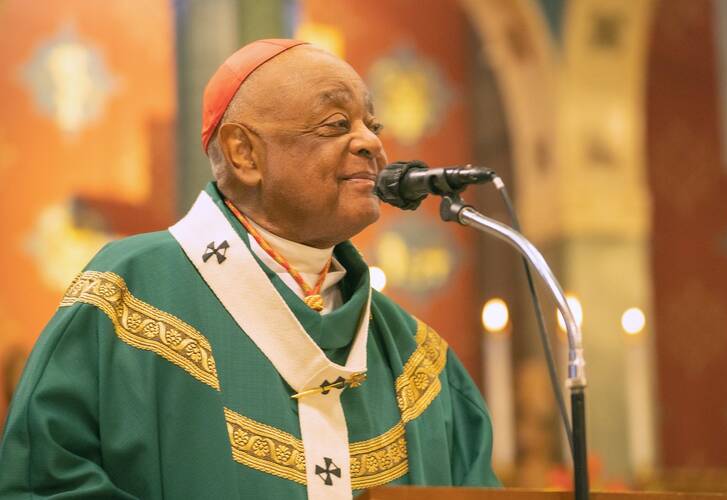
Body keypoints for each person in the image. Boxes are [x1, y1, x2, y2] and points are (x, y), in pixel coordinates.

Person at [0, 39, 499, 499]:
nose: (371, 143)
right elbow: (43, 479)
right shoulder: (126, 297)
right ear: (244, 153)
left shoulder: (417, 358)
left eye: (373, 125)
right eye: (336, 125)